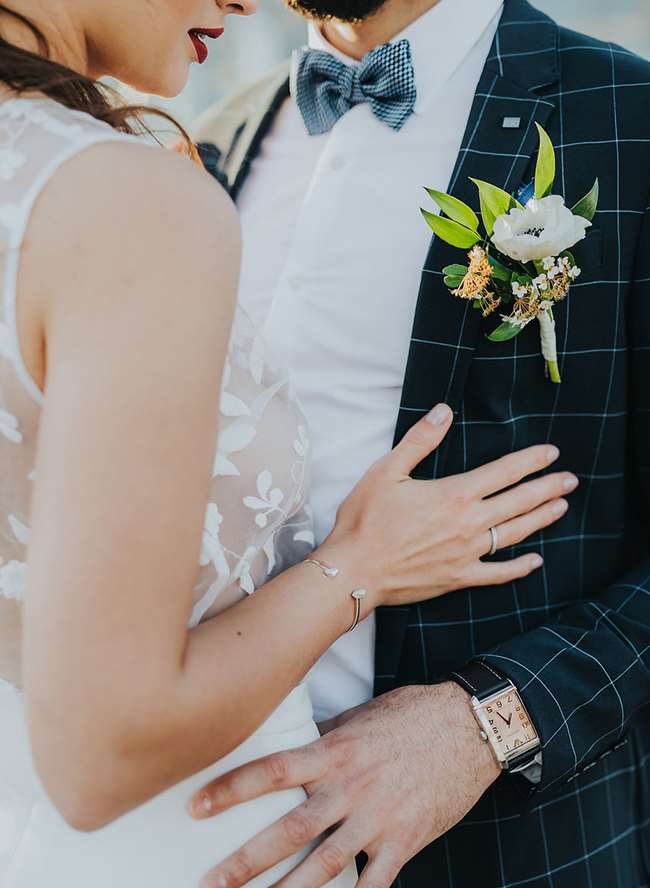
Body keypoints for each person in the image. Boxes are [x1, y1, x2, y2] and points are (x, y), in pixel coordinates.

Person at [0, 1, 575, 885]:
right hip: (181, 842)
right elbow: (102, 748)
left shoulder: (619, 114)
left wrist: (491, 718)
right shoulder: (141, 183)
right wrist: (360, 567)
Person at [189, 0, 650, 885]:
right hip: (219, 831)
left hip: (514, 848)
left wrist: (490, 723)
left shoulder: (626, 119)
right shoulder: (212, 144)